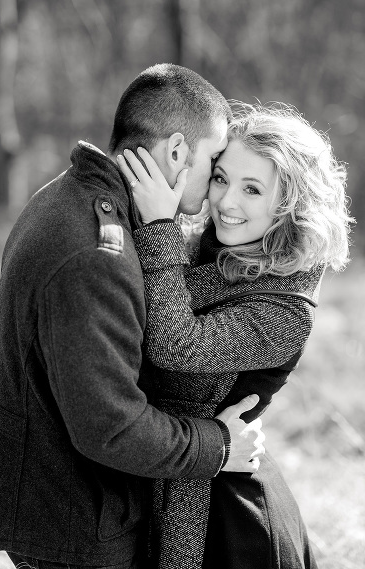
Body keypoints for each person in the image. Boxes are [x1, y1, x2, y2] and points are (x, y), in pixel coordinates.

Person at [0, 63, 265, 568]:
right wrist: (218, 444)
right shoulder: (96, 251)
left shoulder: (66, 196)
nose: (217, 184)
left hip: (64, 508)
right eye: (214, 159)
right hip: (79, 527)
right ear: (177, 152)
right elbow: (110, 427)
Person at [119, 102, 352, 569]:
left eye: (252, 189)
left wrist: (159, 227)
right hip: (166, 471)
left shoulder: (287, 308)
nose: (226, 202)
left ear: (290, 206)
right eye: (222, 178)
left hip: (229, 522)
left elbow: (174, 344)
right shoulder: (210, 250)